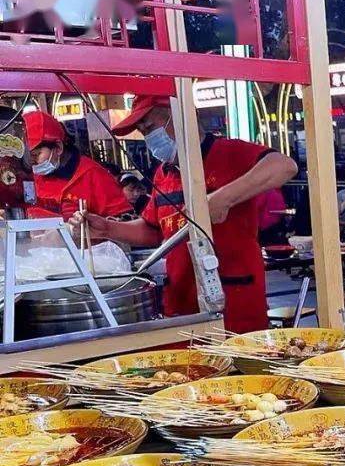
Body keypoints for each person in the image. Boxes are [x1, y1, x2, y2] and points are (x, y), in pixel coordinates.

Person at [74, 95, 298, 333]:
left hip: (234, 298)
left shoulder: (228, 152)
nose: (149, 138)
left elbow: (284, 166)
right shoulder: (164, 173)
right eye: (143, 132)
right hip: (182, 302)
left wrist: (224, 197)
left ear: (182, 116)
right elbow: (153, 230)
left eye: (150, 128)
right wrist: (107, 228)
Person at [24, 111, 131, 220]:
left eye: (35, 155)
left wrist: (90, 226)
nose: (32, 161)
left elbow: (125, 220)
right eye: (26, 157)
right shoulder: (30, 178)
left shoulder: (93, 175)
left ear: (58, 147)